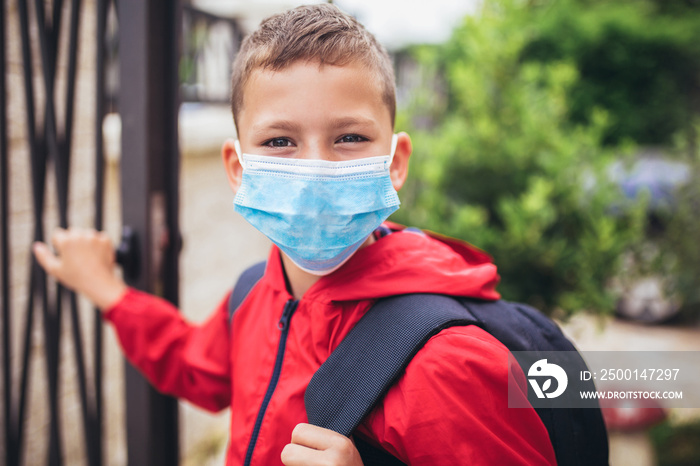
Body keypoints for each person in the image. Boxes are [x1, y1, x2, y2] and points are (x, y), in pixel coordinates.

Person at [33, 4, 557, 465]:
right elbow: (199, 367)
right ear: (237, 167)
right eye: (280, 140)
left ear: (394, 162)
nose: (314, 170)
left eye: (349, 137)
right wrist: (110, 293)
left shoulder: (446, 360)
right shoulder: (256, 293)